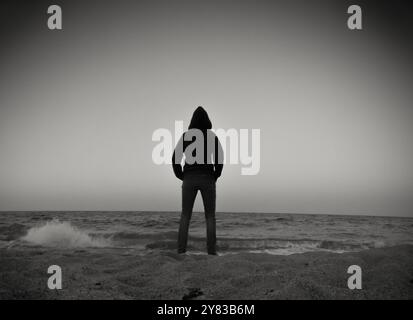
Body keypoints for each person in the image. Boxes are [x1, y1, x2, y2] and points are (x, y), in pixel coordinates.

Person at [172, 106, 224, 255]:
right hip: (207, 178)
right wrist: (216, 175)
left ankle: (181, 251)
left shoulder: (186, 136)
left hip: (189, 178)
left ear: (192, 121)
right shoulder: (212, 136)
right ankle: (211, 252)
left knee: (185, 216)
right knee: (210, 217)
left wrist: (181, 175)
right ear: (207, 120)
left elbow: (175, 158)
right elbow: (220, 158)